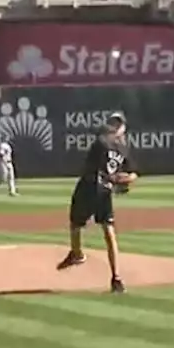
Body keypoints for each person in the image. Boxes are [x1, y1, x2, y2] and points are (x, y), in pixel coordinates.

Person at [57, 112, 138, 294]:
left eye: (116, 123)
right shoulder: (122, 148)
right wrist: (121, 180)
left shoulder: (101, 142)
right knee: (108, 231)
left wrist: (121, 179)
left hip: (89, 187)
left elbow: (130, 173)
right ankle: (116, 278)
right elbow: (133, 173)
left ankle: (77, 254)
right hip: (105, 190)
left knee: (76, 223)